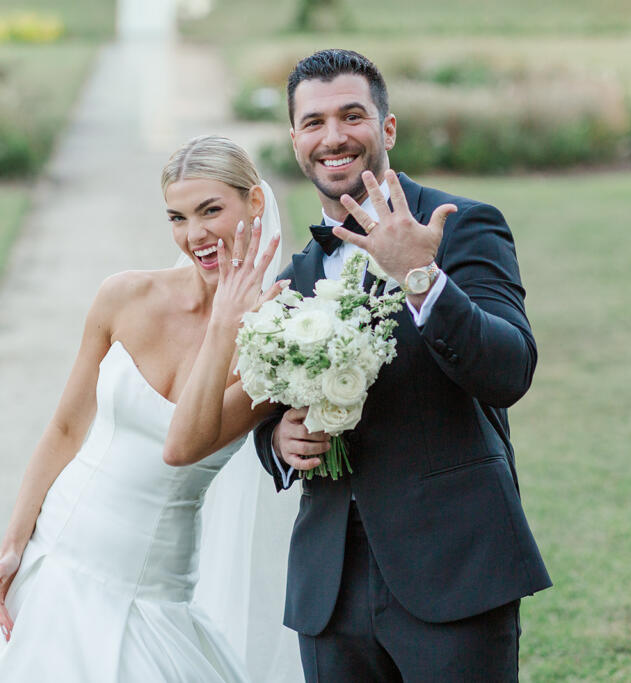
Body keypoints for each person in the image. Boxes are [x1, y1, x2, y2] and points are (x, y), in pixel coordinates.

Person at [251, 49, 553, 681]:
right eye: (313, 123)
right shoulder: (293, 277)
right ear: (295, 141)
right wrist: (279, 439)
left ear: (387, 128)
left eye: (352, 115)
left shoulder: (462, 226)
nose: (333, 137)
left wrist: (422, 279)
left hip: (454, 572)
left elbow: (508, 370)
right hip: (328, 590)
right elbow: (270, 410)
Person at [0, 135, 293, 682]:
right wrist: (14, 547)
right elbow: (65, 428)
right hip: (58, 557)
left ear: (254, 203)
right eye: (178, 218)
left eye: (211, 210)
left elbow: (183, 445)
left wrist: (227, 324)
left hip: (151, 587)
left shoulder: (280, 337)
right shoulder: (125, 296)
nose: (195, 235)